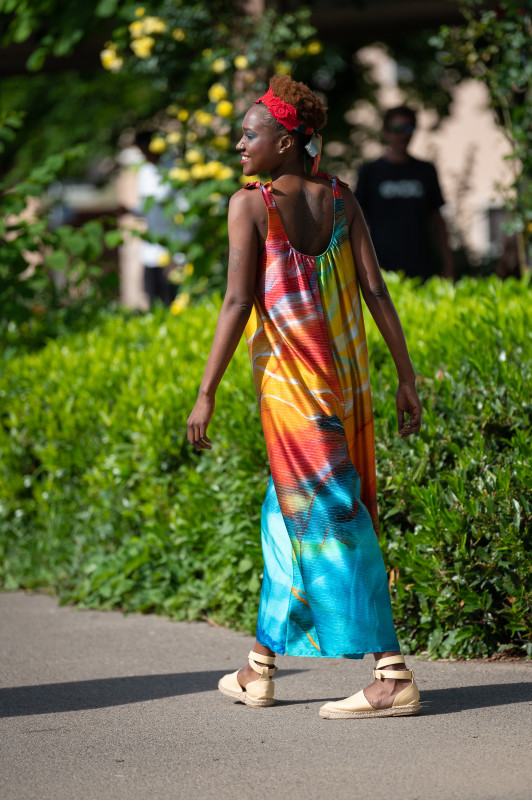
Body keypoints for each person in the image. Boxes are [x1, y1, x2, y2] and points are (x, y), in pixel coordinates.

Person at [187, 76, 423, 719]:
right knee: (283, 520)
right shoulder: (341, 199)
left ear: (286, 142)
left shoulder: (250, 205)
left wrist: (206, 392)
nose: (240, 145)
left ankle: (392, 673)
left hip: (293, 395)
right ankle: (260, 668)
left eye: (251, 134)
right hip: (341, 385)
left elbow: (237, 301)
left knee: (337, 519)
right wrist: (404, 376)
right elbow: (376, 291)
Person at [355, 106, 455, 281]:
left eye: (408, 128)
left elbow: (437, 219)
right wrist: (365, 262)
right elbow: (357, 221)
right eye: (396, 129)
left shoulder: (426, 170)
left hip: (422, 264)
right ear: (386, 132)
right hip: (381, 266)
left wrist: (449, 263)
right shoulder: (370, 171)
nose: (402, 135)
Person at [134, 131, 178, 309]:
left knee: (173, 298)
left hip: (175, 246)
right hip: (152, 246)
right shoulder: (145, 171)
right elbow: (144, 206)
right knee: (154, 300)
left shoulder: (175, 167)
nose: (146, 155)